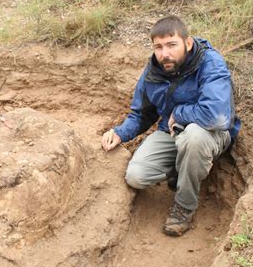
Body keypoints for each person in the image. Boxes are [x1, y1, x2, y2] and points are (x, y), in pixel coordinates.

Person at [101, 15, 241, 237]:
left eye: (171, 45)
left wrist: (180, 112)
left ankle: (184, 206)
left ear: (187, 42)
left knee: (193, 137)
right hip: (171, 132)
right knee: (136, 176)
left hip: (210, 134)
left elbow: (217, 116)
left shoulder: (210, 63)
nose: (164, 53)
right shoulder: (154, 70)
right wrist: (121, 133)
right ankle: (181, 167)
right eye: (158, 47)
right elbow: (141, 113)